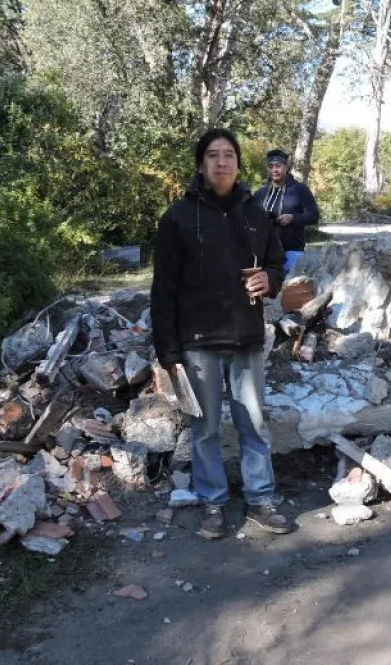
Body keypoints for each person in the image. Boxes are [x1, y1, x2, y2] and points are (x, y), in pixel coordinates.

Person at [150, 128, 291, 540]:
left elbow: (277, 263)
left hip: (246, 338)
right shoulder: (177, 218)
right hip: (198, 344)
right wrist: (168, 351)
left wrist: (270, 279)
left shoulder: (256, 214)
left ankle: (260, 500)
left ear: (238, 164)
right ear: (200, 165)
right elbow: (163, 290)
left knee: (255, 424)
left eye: (229, 154)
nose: (222, 162)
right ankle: (212, 502)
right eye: (212, 155)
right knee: (205, 429)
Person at [254, 149, 321, 274]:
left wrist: (293, 218)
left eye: (278, 166)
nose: (274, 170)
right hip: (264, 253)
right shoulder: (260, 193)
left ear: (286, 167)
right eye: (270, 166)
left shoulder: (300, 190)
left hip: (292, 252)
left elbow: (314, 216)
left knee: (291, 286)